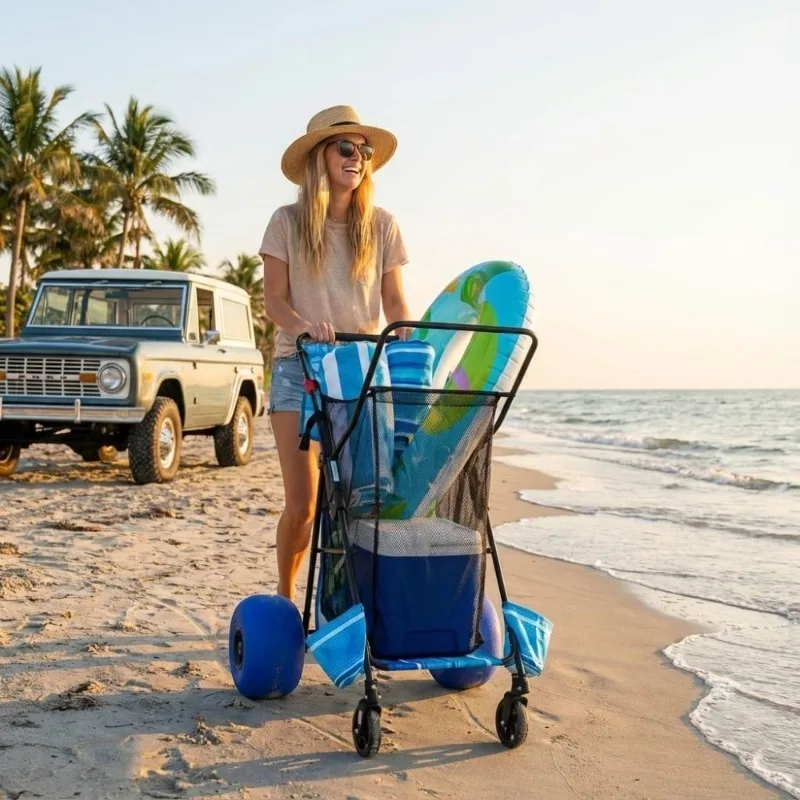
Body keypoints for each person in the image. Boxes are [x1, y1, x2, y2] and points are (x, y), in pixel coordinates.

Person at [259, 105, 412, 602]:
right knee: (303, 504)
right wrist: (306, 329)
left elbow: (394, 303)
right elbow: (274, 302)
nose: (357, 158)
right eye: (345, 147)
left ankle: (350, 600)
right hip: (296, 370)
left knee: (362, 503)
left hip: (360, 373)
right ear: (319, 158)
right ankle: (285, 602)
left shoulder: (383, 225)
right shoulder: (285, 222)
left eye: (363, 151)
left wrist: (407, 333)